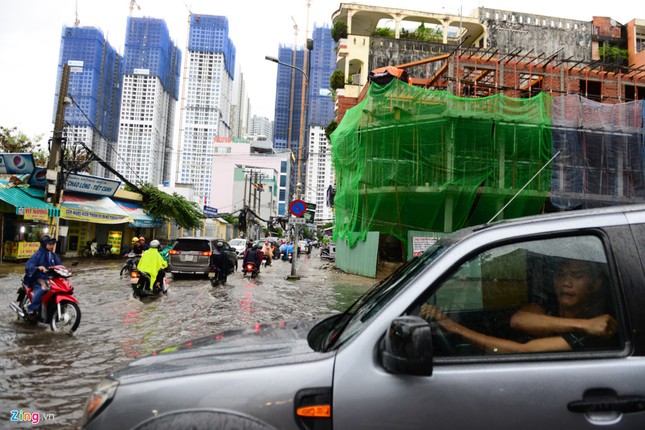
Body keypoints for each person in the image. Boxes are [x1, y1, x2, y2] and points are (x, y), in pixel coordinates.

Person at [420, 258, 618, 354]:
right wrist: (583, 324)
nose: (566, 282)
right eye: (561, 274)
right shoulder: (551, 306)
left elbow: (520, 350)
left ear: (596, 284)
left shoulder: (596, 331)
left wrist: (454, 327)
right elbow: (519, 320)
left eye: (577, 276)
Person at [24, 235, 62, 319]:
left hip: (50, 278)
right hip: (38, 278)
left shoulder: (53, 255)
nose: (52, 246)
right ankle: (31, 308)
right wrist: (38, 267)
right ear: (44, 244)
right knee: (44, 288)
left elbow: (59, 265)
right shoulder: (38, 254)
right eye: (50, 244)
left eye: (53, 244)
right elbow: (28, 265)